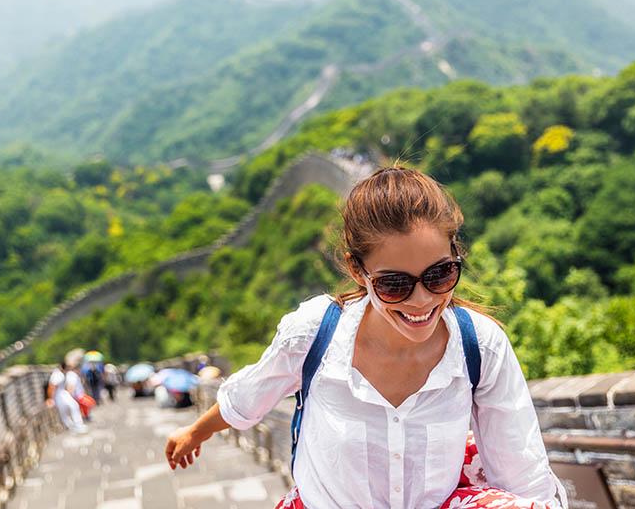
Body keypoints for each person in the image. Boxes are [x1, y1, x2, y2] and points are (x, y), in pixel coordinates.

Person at [165, 166, 568, 508]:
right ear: (358, 271)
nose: (423, 300)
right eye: (395, 284)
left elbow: (522, 472)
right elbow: (248, 399)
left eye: (440, 274)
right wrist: (194, 433)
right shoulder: (315, 333)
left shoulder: (479, 346)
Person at [46, 361, 87, 434]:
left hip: (61, 394)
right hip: (59, 395)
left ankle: (75, 426)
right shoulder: (57, 374)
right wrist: (50, 399)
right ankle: (75, 426)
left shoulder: (59, 374)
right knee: (69, 409)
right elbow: (51, 387)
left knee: (70, 408)